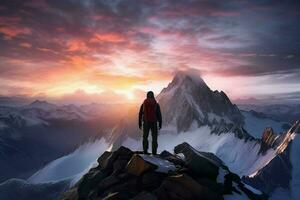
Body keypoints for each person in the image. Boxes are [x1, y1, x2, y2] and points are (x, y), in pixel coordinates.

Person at [138, 91, 162, 155]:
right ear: (153, 96)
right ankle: (154, 152)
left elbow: (140, 114)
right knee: (154, 138)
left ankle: (145, 151)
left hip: (146, 122)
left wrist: (139, 123)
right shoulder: (156, 104)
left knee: (145, 137)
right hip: (154, 123)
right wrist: (160, 123)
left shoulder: (144, 104)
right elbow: (159, 114)